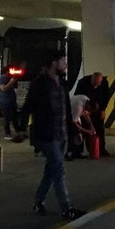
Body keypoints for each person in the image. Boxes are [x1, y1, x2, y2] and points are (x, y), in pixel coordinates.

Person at [21, 50, 86, 220]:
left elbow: (66, 111)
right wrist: (21, 130)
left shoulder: (62, 83)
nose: (65, 65)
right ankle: (66, 208)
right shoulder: (39, 84)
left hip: (61, 135)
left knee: (51, 171)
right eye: (63, 61)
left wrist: (74, 132)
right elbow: (27, 107)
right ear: (53, 63)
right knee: (59, 170)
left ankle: (38, 202)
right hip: (46, 136)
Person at [75, 71, 111, 156]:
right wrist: (84, 110)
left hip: (98, 108)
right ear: (92, 79)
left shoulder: (104, 83)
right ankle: (78, 151)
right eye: (95, 83)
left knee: (100, 129)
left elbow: (106, 97)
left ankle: (101, 149)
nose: (97, 85)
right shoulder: (82, 82)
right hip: (84, 107)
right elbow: (77, 96)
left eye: (98, 83)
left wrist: (103, 109)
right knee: (83, 130)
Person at [0, 65, 25, 140]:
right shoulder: (2, 79)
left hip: (11, 100)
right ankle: (7, 133)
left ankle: (18, 132)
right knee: (7, 117)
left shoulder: (9, 78)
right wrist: (11, 82)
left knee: (14, 117)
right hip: (5, 101)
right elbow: (3, 88)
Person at [67, 94, 95, 160]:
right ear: (88, 106)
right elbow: (74, 123)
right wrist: (87, 131)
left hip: (74, 114)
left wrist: (92, 126)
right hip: (68, 115)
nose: (89, 112)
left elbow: (86, 115)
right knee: (75, 134)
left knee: (80, 134)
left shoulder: (86, 99)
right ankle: (69, 153)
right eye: (89, 110)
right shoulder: (78, 107)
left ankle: (77, 152)